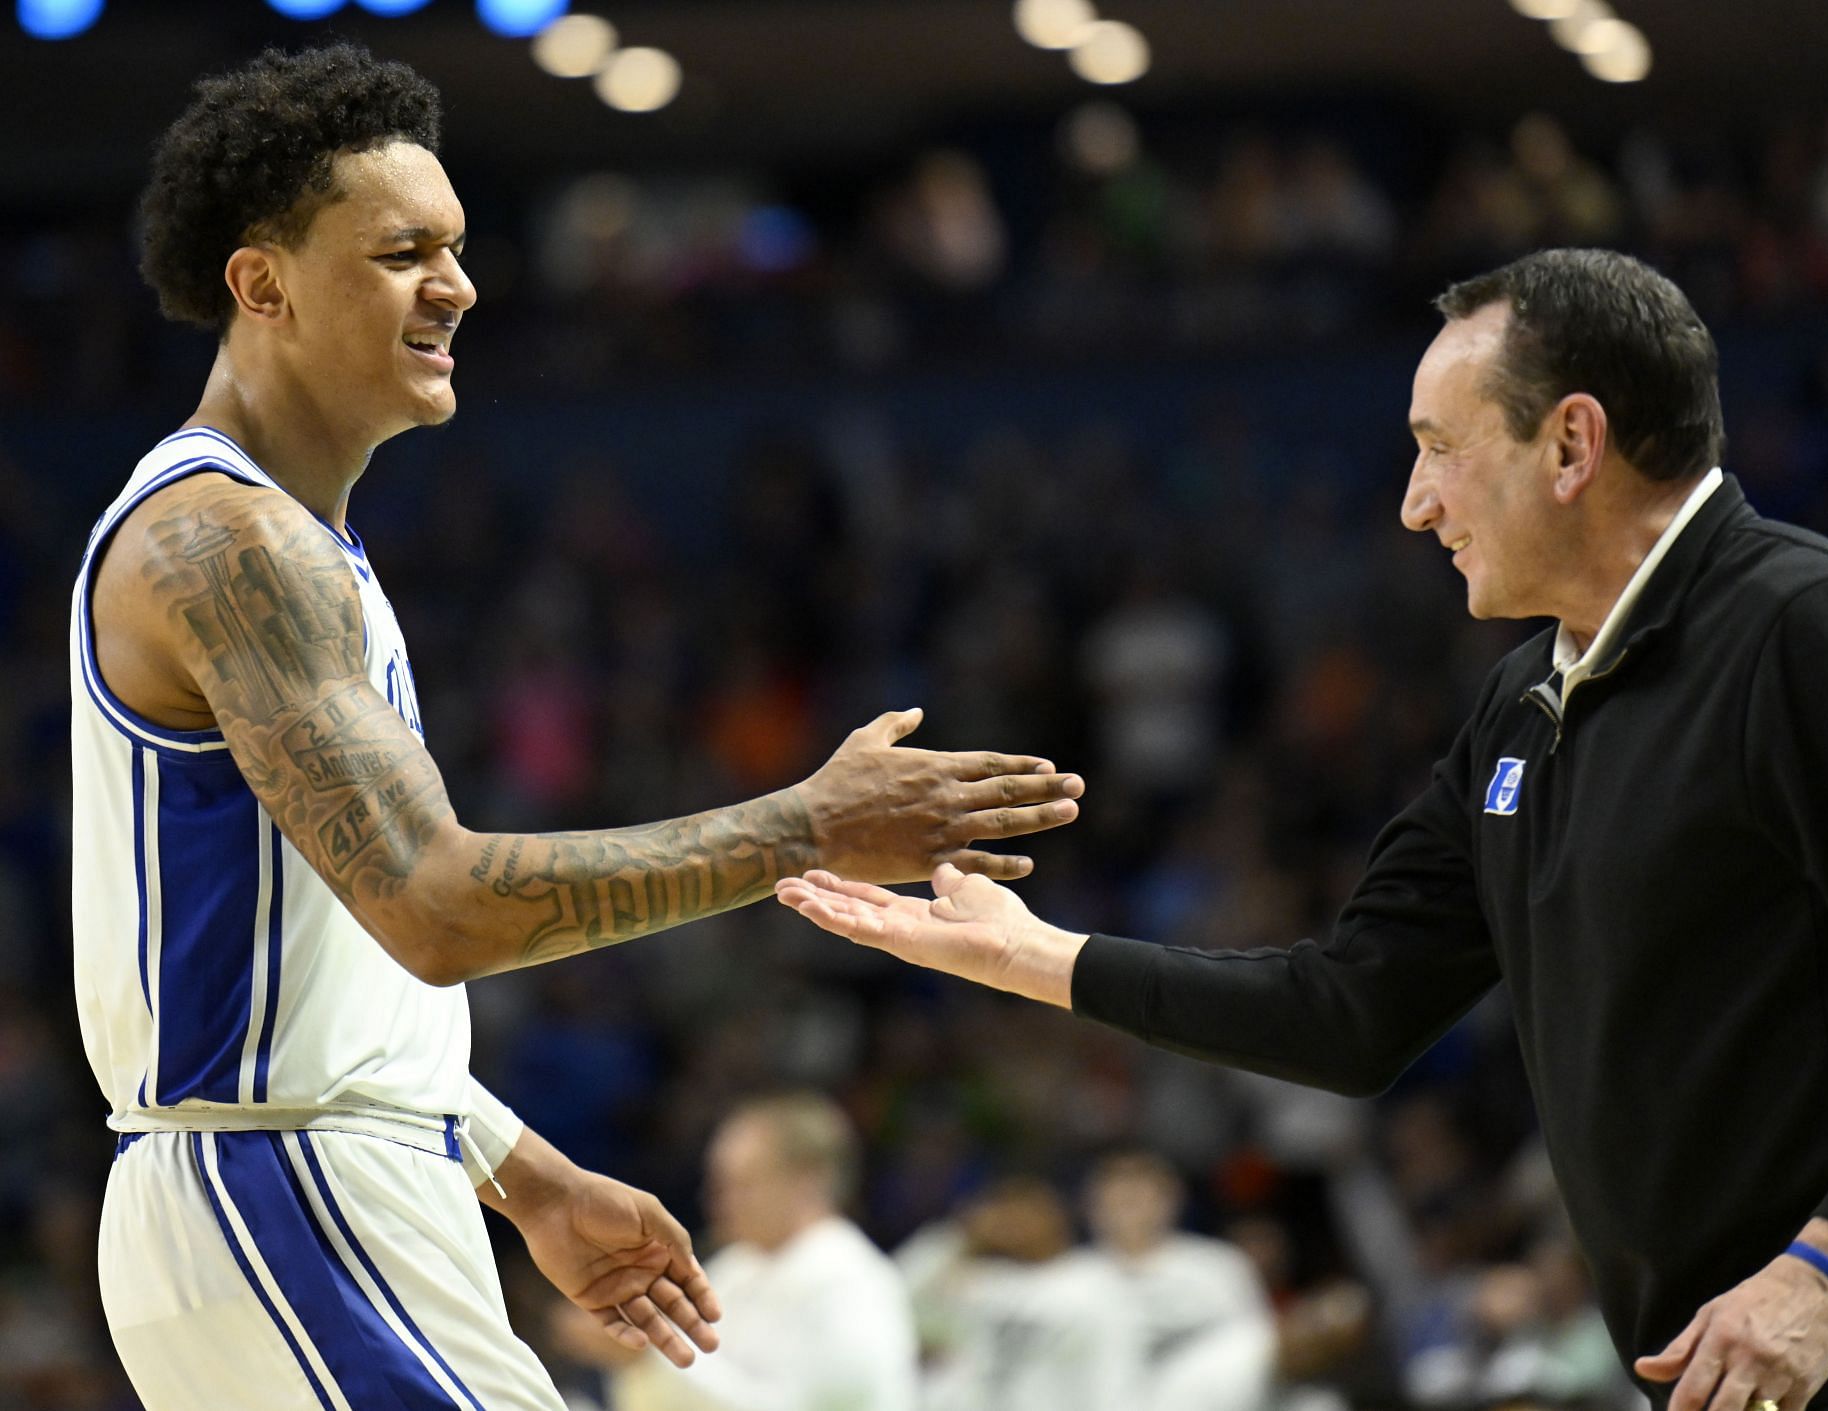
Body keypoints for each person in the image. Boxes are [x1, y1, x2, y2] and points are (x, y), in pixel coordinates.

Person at [74, 43, 1082, 1411]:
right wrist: (809, 825)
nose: (459, 285)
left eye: (459, 246)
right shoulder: (225, 538)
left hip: (313, 1180)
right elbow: (436, 906)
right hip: (286, 1194)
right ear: (263, 283)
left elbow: (324, 972)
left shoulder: (290, 542)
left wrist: (519, 1169)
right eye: (402, 251)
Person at [780, 247, 1828, 1410]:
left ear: (1572, 444)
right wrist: (1033, 955)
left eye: (1440, 449)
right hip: (1728, 1378)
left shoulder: (1809, 632)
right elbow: (1352, 1013)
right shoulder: (1524, 698)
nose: (1415, 503)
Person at [582, 1092, 917, 1411]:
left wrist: (649, 1360)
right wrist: (633, 1350)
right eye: (717, 1184)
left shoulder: (852, 1284)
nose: (716, 1200)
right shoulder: (735, 1268)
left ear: (807, 1181)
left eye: (741, 1184)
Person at [894, 1176, 1148, 1411]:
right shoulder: (977, 1276)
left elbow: (1112, 1373)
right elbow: (899, 1311)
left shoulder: (1091, 1280)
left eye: (1025, 1213)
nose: (1012, 1224)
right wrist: (963, 1239)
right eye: (1001, 1212)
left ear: (1054, 1219)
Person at [1069, 1150, 1276, 1411]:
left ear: (1172, 1200)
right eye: (1118, 1195)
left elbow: (1257, 1352)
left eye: (1140, 1194)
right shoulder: (1065, 1279)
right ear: (1090, 1206)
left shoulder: (1219, 1267)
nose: (1129, 1204)